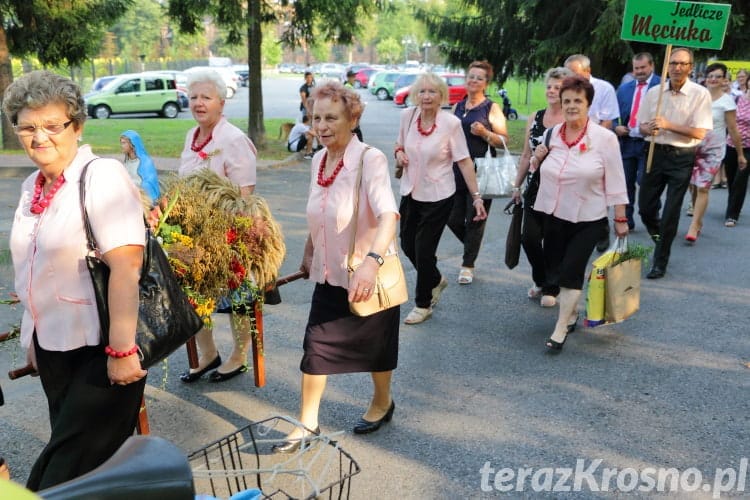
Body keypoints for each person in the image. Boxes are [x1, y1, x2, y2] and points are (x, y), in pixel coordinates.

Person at [3, 70, 147, 490]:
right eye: (27, 127)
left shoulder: (100, 176)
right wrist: (34, 338)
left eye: (52, 125)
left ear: (77, 126)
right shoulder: (33, 186)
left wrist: (122, 349)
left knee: (57, 477)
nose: (39, 137)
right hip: (54, 353)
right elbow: (32, 271)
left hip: (99, 351)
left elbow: (126, 266)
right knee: (92, 480)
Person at [274, 81, 400, 452]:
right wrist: (310, 251)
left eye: (331, 117)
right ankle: (307, 422)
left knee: (376, 348)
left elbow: (389, 215)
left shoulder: (369, 159)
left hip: (367, 276)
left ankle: (382, 401)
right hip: (329, 274)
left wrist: (371, 264)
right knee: (316, 347)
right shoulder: (318, 160)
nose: (322, 126)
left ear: (353, 118)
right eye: (316, 118)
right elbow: (322, 213)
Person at [532, 76, 629, 351]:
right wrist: (537, 158)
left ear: (588, 104)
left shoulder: (604, 139)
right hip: (553, 213)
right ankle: (570, 312)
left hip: (588, 217)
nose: (572, 106)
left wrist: (620, 217)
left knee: (572, 271)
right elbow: (537, 170)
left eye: (578, 101)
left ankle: (560, 328)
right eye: (567, 101)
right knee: (556, 267)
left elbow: (616, 179)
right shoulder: (552, 134)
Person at [178, 68, 258, 382]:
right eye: (193, 96)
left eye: (206, 97)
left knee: (236, 299)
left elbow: (244, 196)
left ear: (221, 103)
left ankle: (239, 356)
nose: (198, 103)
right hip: (193, 234)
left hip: (229, 234)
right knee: (193, 296)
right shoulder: (191, 136)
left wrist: (212, 221)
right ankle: (208, 353)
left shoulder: (234, 139)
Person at [394, 73, 487, 325]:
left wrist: (476, 196)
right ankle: (435, 278)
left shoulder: (450, 123)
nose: (426, 96)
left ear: (441, 96)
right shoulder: (407, 117)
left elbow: (464, 160)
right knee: (407, 245)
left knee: (424, 251)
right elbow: (399, 145)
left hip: (438, 195)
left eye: (432, 92)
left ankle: (423, 304)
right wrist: (400, 153)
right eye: (422, 91)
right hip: (411, 191)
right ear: (416, 94)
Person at [637, 47, 713, 279]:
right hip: (654, 152)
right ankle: (662, 237)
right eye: (673, 63)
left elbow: (700, 133)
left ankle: (660, 260)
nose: (677, 68)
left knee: (671, 210)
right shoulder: (654, 93)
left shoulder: (700, 94)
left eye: (682, 64)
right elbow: (641, 126)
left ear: (690, 67)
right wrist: (647, 128)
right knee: (646, 208)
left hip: (681, 156)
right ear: (666, 66)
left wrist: (668, 125)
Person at [512, 66, 573, 308]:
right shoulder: (535, 116)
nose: (551, 90)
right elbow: (526, 154)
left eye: (557, 87)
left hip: (561, 187)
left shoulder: (570, 120)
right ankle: (540, 277)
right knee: (529, 238)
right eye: (549, 86)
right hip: (535, 186)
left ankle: (552, 287)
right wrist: (516, 186)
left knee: (555, 239)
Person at [447, 60, 508, 285]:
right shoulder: (458, 106)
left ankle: (468, 265)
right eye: (470, 76)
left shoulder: (491, 108)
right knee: (451, 218)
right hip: (455, 171)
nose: (473, 80)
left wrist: (485, 133)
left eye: (479, 78)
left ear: (486, 83)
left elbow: (503, 141)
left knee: (475, 221)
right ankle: (471, 248)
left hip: (482, 171)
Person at [565, 54, 620, 251]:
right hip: (570, 143)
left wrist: (595, 145)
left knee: (595, 190)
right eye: (567, 73)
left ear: (587, 72)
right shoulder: (566, 89)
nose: (570, 77)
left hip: (594, 145)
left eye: (574, 73)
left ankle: (601, 228)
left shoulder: (604, 89)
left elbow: (607, 121)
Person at [686, 63, 746, 242]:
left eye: (718, 76)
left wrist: (740, 154)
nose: (713, 79)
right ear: (705, 77)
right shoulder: (696, 96)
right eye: (710, 75)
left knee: (703, 187)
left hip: (713, 150)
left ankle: (695, 225)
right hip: (691, 146)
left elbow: (733, 130)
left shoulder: (727, 101)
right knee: (693, 185)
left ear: (724, 80)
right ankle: (696, 209)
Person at [613, 52, 661, 230]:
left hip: (649, 144)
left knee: (646, 182)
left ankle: (652, 215)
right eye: (636, 68)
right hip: (627, 143)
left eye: (643, 68)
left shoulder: (662, 87)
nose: (639, 71)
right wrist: (615, 128)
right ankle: (626, 220)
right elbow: (613, 114)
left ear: (652, 66)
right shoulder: (625, 89)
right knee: (625, 182)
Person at [119, 129, 160, 204]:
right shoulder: (127, 161)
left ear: (132, 144)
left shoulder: (145, 162)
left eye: (124, 143)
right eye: (121, 143)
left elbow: (149, 183)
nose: (122, 146)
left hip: (143, 200)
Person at [343, 70, 364, 141]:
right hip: (351, 116)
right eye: (353, 77)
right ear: (348, 78)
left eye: (355, 76)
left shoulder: (347, 86)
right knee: (357, 138)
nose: (355, 78)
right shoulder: (348, 87)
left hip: (351, 117)